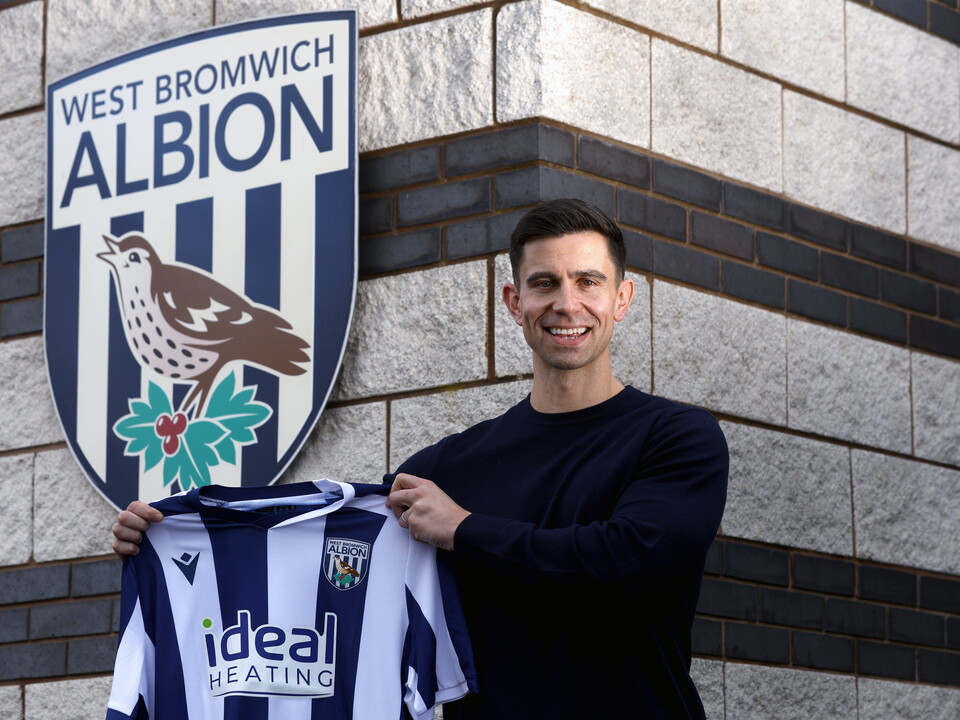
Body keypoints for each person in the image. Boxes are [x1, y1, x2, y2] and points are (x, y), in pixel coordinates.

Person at [114, 198, 728, 719]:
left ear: (622, 298)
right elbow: (322, 536)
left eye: (587, 281)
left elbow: (628, 560)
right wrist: (178, 528)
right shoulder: (450, 468)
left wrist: (466, 530)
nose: (566, 303)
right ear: (514, 303)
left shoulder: (675, 438)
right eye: (545, 283)